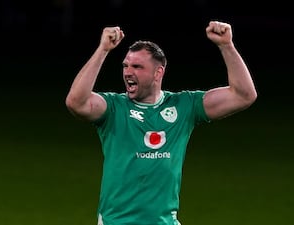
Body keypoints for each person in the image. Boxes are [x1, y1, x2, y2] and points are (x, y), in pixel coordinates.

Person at [65, 21, 257, 225]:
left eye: (137, 67)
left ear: (158, 73)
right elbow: (76, 102)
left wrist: (227, 46)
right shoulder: (114, 108)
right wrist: (103, 50)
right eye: (125, 66)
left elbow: (244, 95)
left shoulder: (184, 106)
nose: (128, 72)